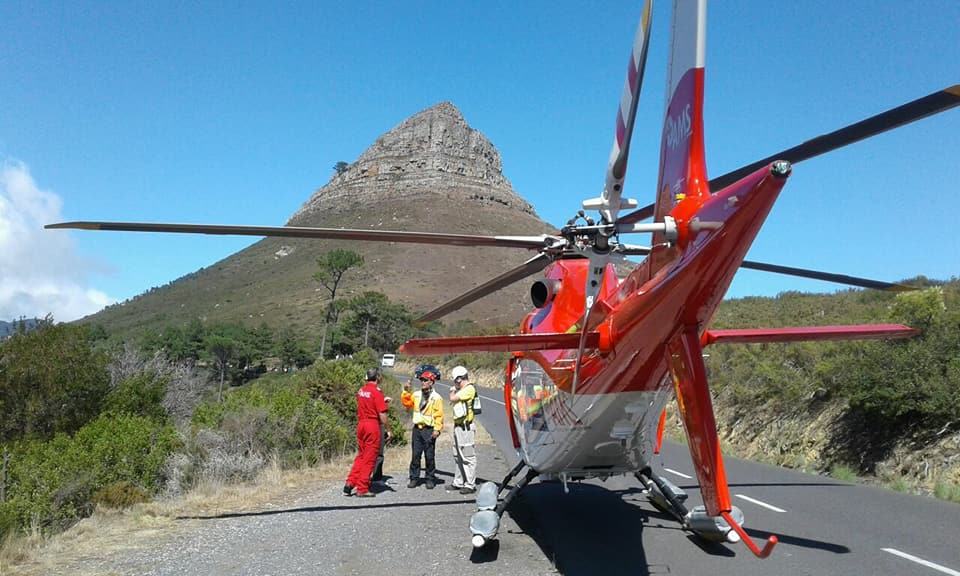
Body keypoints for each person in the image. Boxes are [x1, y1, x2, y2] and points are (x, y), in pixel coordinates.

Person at [344, 367, 391, 498]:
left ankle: (350, 482)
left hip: (361, 424)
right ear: (378, 377)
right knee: (370, 458)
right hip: (372, 425)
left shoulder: (361, 390)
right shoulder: (377, 392)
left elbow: (367, 403)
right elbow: (382, 413)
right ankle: (362, 488)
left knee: (361, 456)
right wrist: (388, 430)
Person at [400, 365, 443, 489]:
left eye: (425, 380)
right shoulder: (417, 394)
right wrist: (406, 391)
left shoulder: (436, 398)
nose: (423, 382)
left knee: (429, 456)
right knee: (416, 455)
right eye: (422, 380)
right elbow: (407, 403)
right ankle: (414, 478)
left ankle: (430, 478)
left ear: (431, 382)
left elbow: (439, 415)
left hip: (429, 430)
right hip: (417, 430)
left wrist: (437, 430)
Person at [446, 365, 478, 494]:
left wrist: (452, 391)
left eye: (455, 380)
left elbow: (452, 398)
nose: (455, 383)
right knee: (458, 455)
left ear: (460, 379)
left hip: (465, 428)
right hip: (459, 427)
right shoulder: (463, 390)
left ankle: (470, 484)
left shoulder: (469, 389)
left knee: (468, 456)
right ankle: (459, 482)